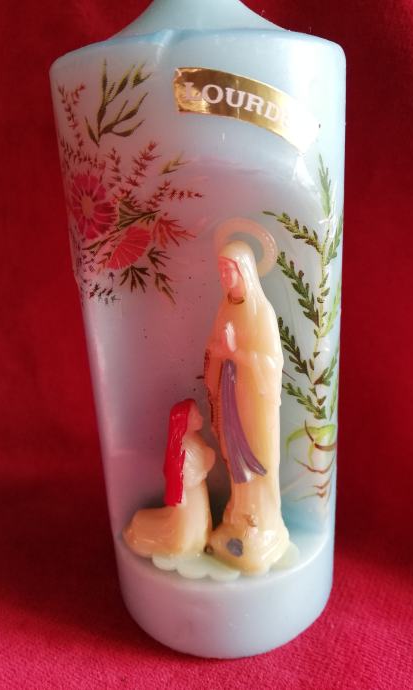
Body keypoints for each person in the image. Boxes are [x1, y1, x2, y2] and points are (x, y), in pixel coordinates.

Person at [205, 240, 289, 573]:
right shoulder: (225, 308)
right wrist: (219, 352)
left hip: (255, 401)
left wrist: (235, 353)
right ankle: (238, 514)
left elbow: (272, 361)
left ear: (246, 272)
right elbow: (214, 348)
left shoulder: (261, 312)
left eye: (230, 270)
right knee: (233, 453)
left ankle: (263, 522)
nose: (225, 277)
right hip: (231, 395)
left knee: (257, 456)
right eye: (221, 271)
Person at [123, 399, 215, 558]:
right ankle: (184, 542)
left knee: (200, 517)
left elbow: (202, 462)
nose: (200, 417)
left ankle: (199, 540)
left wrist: (207, 460)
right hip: (190, 491)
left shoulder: (196, 440)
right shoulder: (182, 446)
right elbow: (184, 474)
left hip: (198, 489)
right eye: (195, 415)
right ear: (184, 421)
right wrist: (202, 470)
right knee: (186, 523)